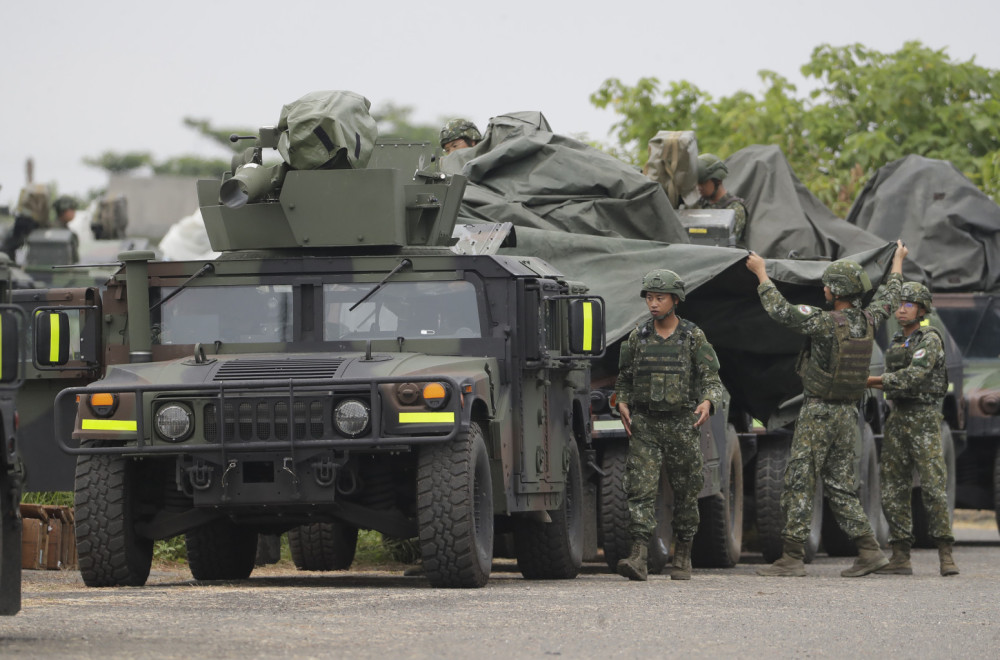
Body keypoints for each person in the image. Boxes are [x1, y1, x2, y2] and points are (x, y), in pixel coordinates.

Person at [746, 240, 907, 577]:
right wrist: (897, 262)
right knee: (839, 485)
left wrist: (761, 273)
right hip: (850, 414)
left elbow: (781, 311)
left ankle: (791, 558)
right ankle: (869, 550)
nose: (823, 289)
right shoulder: (869, 319)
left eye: (827, 285)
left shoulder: (823, 322)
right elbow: (891, 295)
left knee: (799, 480)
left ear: (837, 291)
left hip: (819, 413)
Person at [615, 269, 725, 581]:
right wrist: (621, 401)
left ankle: (684, 555)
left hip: (681, 424)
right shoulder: (639, 336)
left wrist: (708, 401)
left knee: (687, 492)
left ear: (675, 300)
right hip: (646, 425)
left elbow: (711, 379)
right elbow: (624, 377)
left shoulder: (693, 337)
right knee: (640, 489)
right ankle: (638, 556)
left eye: (659, 297)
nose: (653, 303)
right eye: (649, 297)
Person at [866, 282, 959, 577]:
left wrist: (870, 381)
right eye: (900, 304)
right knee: (893, 487)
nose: (901, 309)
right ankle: (900, 555)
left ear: (921, 309)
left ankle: (945, 554)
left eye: (909, 304)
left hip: (925, 420)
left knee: (932, 487)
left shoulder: (930, 338)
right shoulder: (897, 340)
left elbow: (913, 376)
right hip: (899, 418)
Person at [691, 153, 750, 247]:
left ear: (717, 181)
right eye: (697, 183)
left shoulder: (735, 209)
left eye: (702, 183)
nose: (699, 187)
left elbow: (725, 243)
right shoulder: (698, 205)